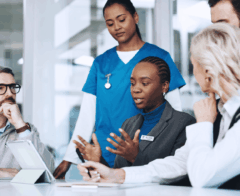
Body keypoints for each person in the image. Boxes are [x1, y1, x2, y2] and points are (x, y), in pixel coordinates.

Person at [78, 23, 240, 189]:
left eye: (194, 65)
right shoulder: (219, 113)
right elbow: (179, 163)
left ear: (207, 71)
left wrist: (205, 123)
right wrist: (116, 175)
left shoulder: (210, 118)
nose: (193, 72)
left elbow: (201, 177)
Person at [54, 0, 185, 178]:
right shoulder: (100, 63)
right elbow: (87, 114)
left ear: (135, 17)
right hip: (103, 154)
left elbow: (175, 113)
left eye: (121, 19)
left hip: (144, 152)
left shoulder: (160, 57)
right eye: (110, 23)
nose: (116, 27)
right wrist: (69, 157)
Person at [74, 56, 195, 168]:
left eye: (145, 83)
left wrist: (135, 157)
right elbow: (119, 175)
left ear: (164, 86)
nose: (135, 89)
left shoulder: (184, 124)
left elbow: (178, 175)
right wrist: (99, 161)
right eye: (132, 83)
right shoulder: (129, 124)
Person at [0, 67, 55, 178]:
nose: (10, 93)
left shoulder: (25, 131)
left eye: (12, 87)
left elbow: (47, 172)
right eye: (1, 88)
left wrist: (20, 125)